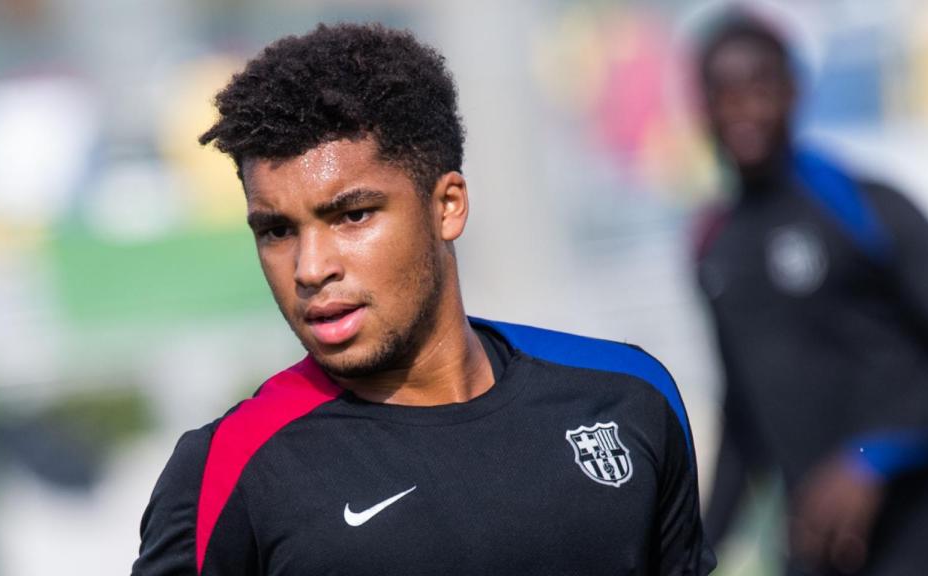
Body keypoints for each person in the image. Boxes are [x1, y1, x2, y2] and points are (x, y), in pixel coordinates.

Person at [133, 23, 714, 576]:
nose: (311, 268)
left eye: (352, 215)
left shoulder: (628, 395)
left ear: (447, 205)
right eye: (277, 231)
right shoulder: (228, 469)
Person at [692, 12, 928, 576]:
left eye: (759, 86)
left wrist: (871, 461)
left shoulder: (865, 208)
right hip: (817, 548)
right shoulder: (712, 246)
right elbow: (743, 413)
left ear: (794, 91)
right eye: (724, 92)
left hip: (917, 527)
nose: (742, 108)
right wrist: (695, 551)